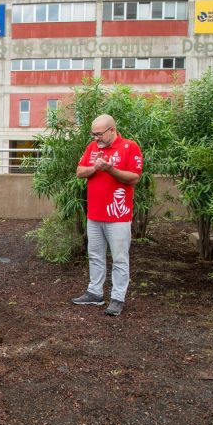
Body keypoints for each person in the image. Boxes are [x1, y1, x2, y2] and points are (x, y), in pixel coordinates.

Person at [72, 114, 143, 316]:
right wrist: (95, 167)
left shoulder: (130, 147)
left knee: (120, 258)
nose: (96, 138)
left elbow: (134, 177)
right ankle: (95, 293)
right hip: (94, 214)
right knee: (94, 255)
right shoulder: (92, 148)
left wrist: (111, 169)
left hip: (118, 217)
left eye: (99, 134)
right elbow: (79, 171)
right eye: (93, 134)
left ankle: (117, 298)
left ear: (112, 130)